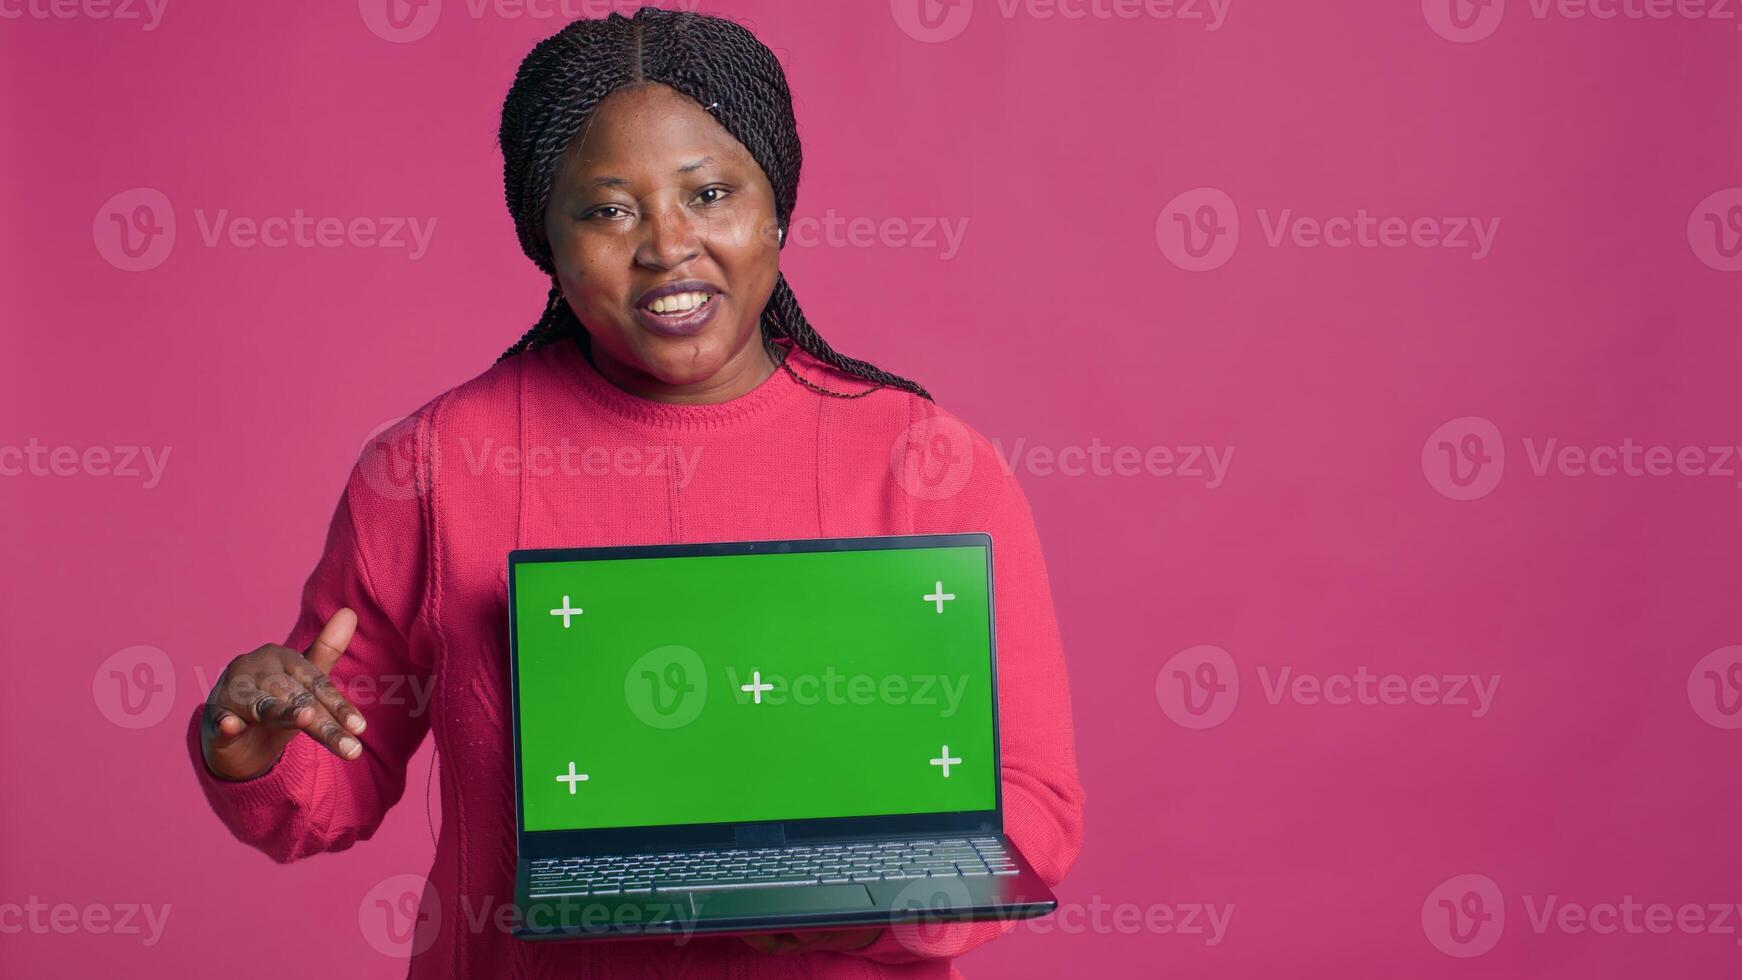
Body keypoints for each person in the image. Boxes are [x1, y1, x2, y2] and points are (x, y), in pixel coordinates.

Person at [188, 8, 1084, 977]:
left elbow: (1030, 804)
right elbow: (330, 785)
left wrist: (851, 909)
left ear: (774, 206)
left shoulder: (924, 462)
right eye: (608, 208)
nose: (667, 244)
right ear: (546, 234)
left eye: (709, 193)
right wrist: (250, 742)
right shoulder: (431, 467)